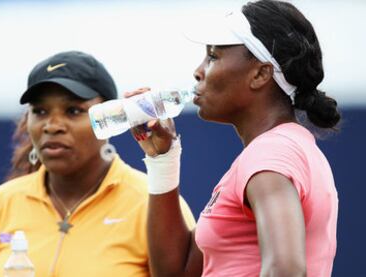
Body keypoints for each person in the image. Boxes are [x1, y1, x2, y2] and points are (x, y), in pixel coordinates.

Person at [130, 1, 341, 276]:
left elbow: (286, 270)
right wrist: (163, 159)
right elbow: (177, 271)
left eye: (213, 56)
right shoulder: (277, 149)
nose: (198, 70)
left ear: (260, 74)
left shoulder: (271, 153)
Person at [0, 51, 196, 277]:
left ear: (114, 118)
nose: (52, 125)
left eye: (73, 110)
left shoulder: (151, 205)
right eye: (39, 111)